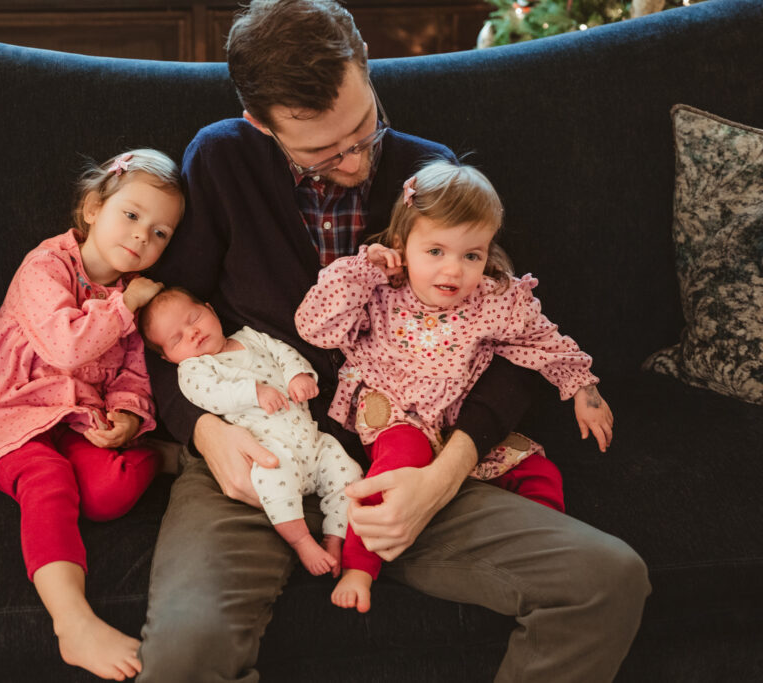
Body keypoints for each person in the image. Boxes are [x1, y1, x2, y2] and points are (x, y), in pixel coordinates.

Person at [139, 1, 649, 681]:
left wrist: (439, 480)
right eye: (324, 150)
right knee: (185, 649)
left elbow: (511, 340)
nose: (355, 160)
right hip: (258, 448)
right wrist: (203, 433)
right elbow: (161, 326)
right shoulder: (223, 158)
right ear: (262, 123)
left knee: (607, 579)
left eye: (363, 126)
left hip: (405, 458)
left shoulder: (430, 175)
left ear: (366, 68)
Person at [295, 158, 615, 612]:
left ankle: (538, 547)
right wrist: (364, 270)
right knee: (399, 465)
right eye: (436, 252)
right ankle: (359, 566)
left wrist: (582, 388)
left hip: (458, 425)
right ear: (403, 246)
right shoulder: (381, 291)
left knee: (539, 469)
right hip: (397, 414)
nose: (453, 271)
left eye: (471, 255)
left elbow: (542, 341)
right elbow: (315, 326)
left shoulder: (492, 300)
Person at [0, 149, 183, 681]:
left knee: (107, 495)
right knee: (49, 478)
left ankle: (159, 457)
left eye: (161, 233)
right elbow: (65, 347)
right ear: (91, 209)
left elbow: (131, 371)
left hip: (77, 417)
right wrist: (125, 310)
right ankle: (73, 623)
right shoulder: (47, 265)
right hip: (8, 414)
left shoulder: (133, 293)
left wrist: (127, 416)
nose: (142, 237)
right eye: (131, 215)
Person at [139, 287, 364, 575]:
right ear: (169, 358)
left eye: (193, 318)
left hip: (313, 440)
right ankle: (302, 541)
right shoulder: (195, 369)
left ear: (210, 308)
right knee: (272, 482)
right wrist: (254, 392)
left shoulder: (251, 337)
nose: (192, 333)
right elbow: (211, 394)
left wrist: (297, 374)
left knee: (348, 472)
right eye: (177, 339)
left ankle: (335, 537)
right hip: (270, 448)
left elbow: (283, 352)